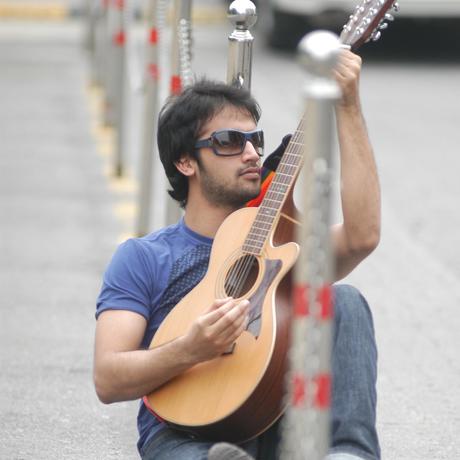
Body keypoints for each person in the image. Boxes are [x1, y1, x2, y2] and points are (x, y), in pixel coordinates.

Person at [93, 49, 381, 460]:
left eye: (254, 140)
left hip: (277, 418)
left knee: (344, 300)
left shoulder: (283, 248)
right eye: (229, 141)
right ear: (185, 161)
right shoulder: (144, 257)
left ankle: (347, 453)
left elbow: (362, 236)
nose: (251, 153)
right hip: (183, 433)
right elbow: (108, 378)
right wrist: (189, 349)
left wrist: (348, 105)